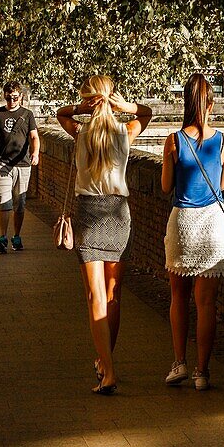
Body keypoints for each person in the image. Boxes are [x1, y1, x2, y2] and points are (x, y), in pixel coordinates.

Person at [57, 75, 153, 395]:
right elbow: (146, 113)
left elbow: (60, 113)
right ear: (111, 98)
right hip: (118, 214)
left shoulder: (81, 132)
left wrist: (83, 107)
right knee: (113, 296)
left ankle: (107, 367)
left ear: (88, 100)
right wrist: (122, 105)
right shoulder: (124, 133)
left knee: (95, 297)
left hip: (88, 213)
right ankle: (105, 364)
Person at [160, 73, 224, 390]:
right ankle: (203, 372)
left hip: (184, 222)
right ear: (211, 104)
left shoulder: (174, 140)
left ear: (185, 104)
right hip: (214, 224)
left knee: (179, 297)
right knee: (206, 304)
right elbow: (223, 185)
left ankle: (179, 363)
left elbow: (165, 186)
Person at [0, 81, 40, 253]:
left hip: (23, 165)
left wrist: (35, 153)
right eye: (8, 97)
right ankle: (2, 236)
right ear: (4, 96)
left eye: (15, 97)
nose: (11, 100)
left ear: (20, 96)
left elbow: (34, 137)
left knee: (19, 203)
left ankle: (17, 235)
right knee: (4, 201)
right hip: (3, 164)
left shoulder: (27, 115)